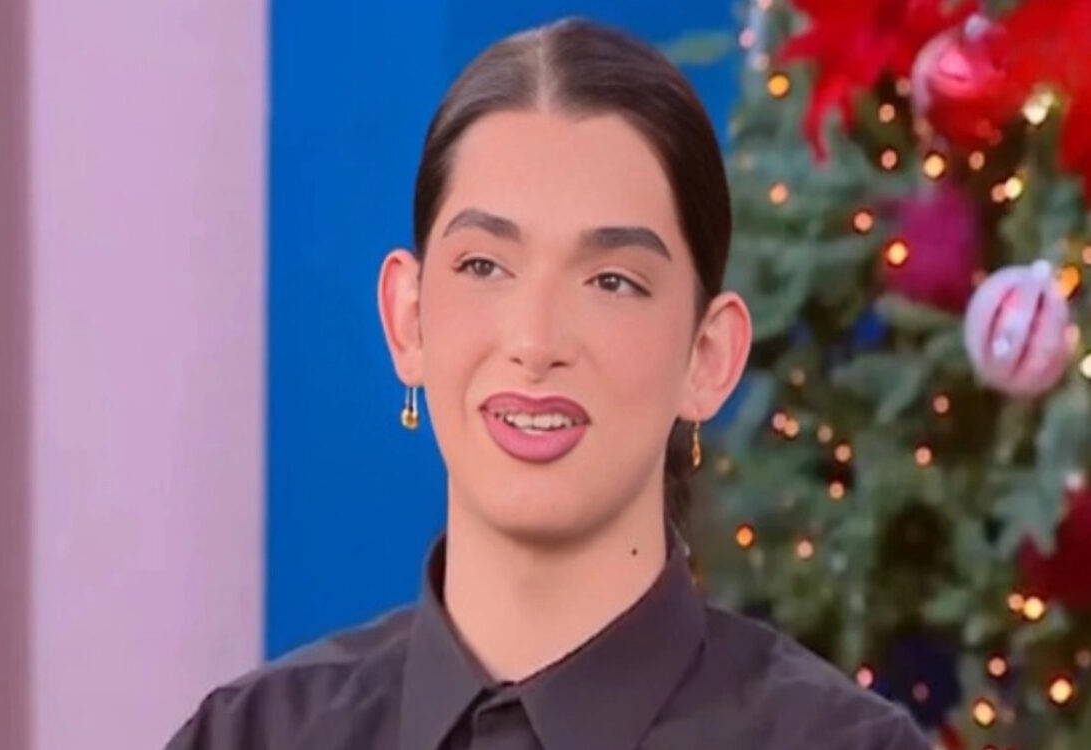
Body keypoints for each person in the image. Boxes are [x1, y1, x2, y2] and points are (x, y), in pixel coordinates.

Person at [166, 17, 930, 750]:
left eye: (612, 281)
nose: (536, 344)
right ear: (408, 321)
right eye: (483, 266)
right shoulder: (250, 736)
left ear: (708, 357)